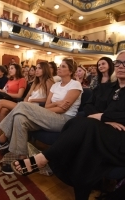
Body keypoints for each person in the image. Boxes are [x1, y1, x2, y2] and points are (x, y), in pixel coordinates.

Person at [11, 50, 125, 200]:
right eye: (118, 62)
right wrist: (105, 119)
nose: (121, 66)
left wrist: (102, 116)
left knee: (84, 125)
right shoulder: (106, 87)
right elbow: (90, 107)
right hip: (97, 130)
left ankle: (44, 158)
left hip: (118, 138)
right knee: (82, 131)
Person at [0, 58, 82, 174]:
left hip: (64, 120)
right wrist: (55, 103)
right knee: (20, 118)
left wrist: (52, 107)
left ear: (70, 71)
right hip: (49, 115)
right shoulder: (56, 86)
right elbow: (48, 105)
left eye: (63, 66)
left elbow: (63, 109)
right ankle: (22, 158)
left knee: (23, 105)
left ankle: (2, 138)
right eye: (60, 66)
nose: (59, 68)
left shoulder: (75, 84)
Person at [0, 62, 54, 137]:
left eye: (39, 68)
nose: (37, 70)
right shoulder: (36, 82)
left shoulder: (48, 81)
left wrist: (32, 101)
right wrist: (26, 101)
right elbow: (27, 96)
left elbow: (48, 99)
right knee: (3, 109)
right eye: (36, 68)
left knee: (0, 102)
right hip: (26, 104)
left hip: (36, 107)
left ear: (45, 69)